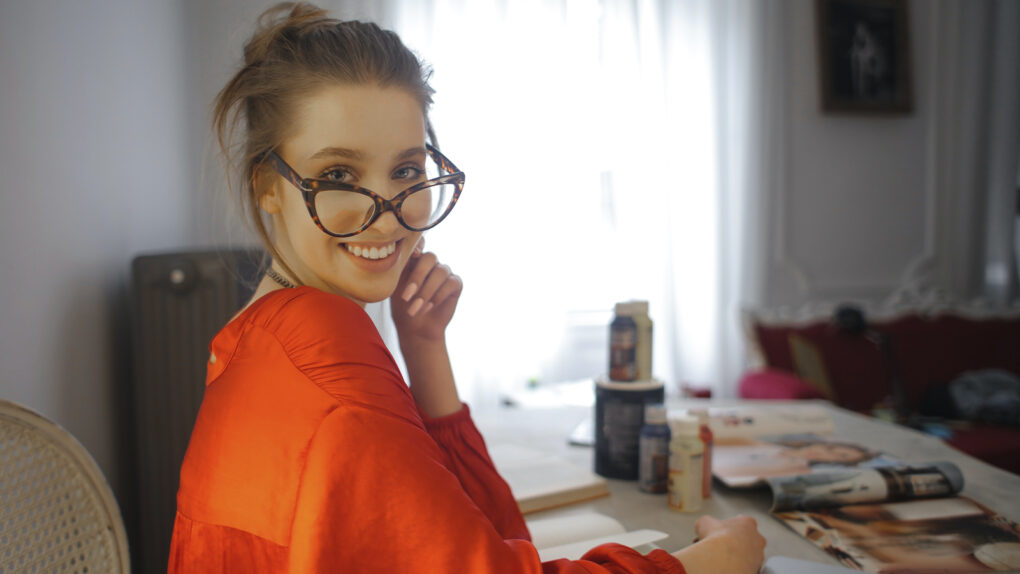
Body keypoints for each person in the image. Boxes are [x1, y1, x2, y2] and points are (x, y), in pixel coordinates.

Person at [168, 3, 766, 572]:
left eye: (406, 170)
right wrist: (703, 567)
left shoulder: (253, 339)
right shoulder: (320, 343)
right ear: (266, 187)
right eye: (339, 175)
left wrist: (424, 344)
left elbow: (486, 535)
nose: (388, 216)